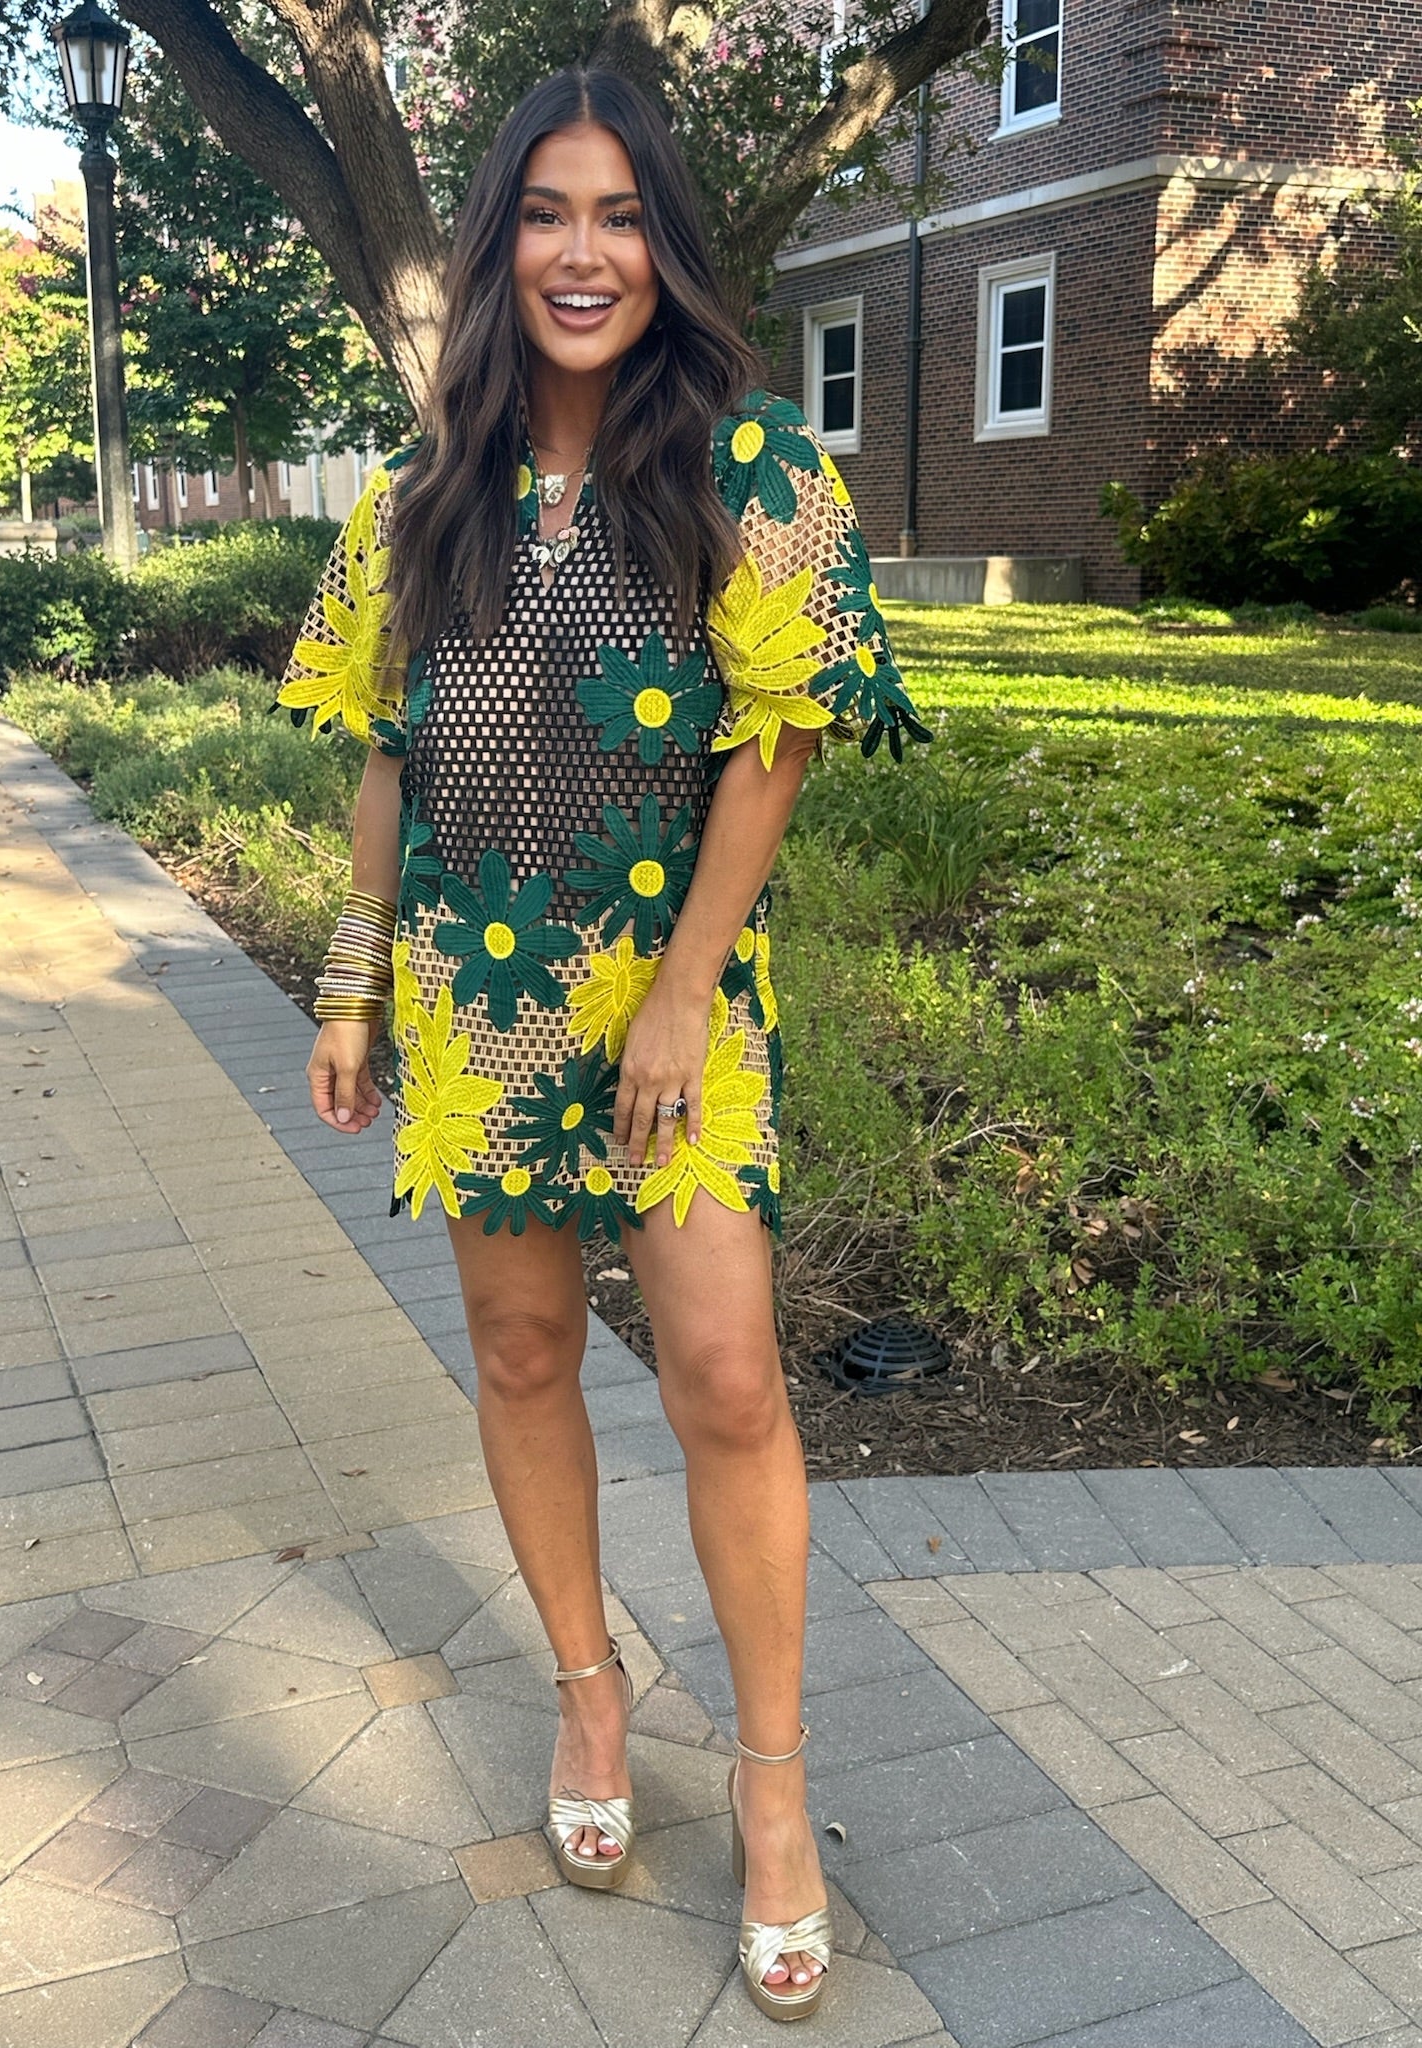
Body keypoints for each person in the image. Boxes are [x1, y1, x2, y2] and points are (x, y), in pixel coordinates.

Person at [278, 63, 931, 2022]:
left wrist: (676, 989)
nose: (586, 253)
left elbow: (779, 737)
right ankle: (588, 1692)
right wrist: (353, 970)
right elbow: (385, 746)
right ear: (500, 248)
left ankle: (774, 1782)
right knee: (521, 1352)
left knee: (726, 1376)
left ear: (667, 247)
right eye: (549, 214)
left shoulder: (752, 467)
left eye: (623, 216)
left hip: (677, 1007)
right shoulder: (424, 491)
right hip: (476, 1006)